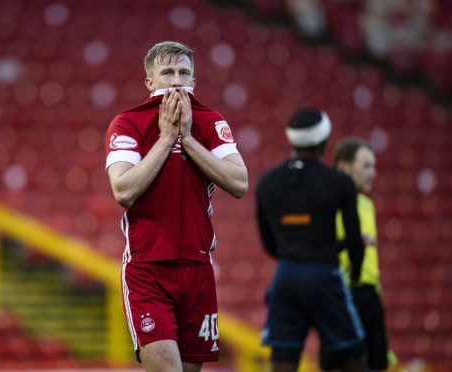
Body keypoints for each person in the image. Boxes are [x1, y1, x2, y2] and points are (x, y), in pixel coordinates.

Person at [105, 41, 248, 372]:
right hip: (148, 268)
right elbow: (123, 190)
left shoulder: (210, 121)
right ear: (150, 82)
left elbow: (239, 183)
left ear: (194, 82)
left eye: (184, 73)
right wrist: (167, 139)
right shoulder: (127, 123)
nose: (176, 81)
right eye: (167, 73)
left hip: (198, 268)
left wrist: (188, 139)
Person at [255, 108, 367, 372]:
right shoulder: (339, 183)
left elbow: (269, 243)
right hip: (325, 275)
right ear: (324, 140)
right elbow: (354, 239)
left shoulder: (267, 182)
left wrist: (292, 257)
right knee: (354, 355)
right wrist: (355, 272)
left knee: (283, 361)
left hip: (286, 277)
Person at [332, 137, 389, 372]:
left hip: (370, 295)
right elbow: (321, 247)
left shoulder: (367, 204)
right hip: (343, 293)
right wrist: (350, 243)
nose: (373, 173)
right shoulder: (329, 203)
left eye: (373, 166)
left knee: (377, 364)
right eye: (366, 166)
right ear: (344, 167)